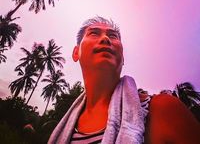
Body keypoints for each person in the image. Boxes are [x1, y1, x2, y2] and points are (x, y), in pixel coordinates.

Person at [48, 16, 200, 144]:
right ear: (76, 52)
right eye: (94, 33)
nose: (105, 38)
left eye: (113, 36)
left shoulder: (163, 110)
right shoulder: (64, 128)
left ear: (123, 57)